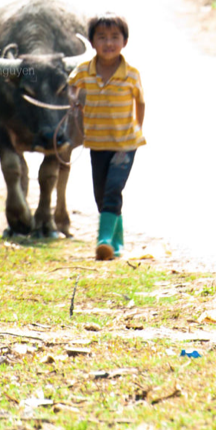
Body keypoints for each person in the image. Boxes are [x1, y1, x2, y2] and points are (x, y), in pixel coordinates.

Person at [68, 13, 145, 260]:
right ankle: (117, 242)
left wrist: (138, 129)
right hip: (97, 143)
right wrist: (74, 101)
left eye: (114, 37)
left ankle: (103, 240)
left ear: (125, 42)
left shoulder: (131, 73)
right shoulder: (83, 71)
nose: (108, 43)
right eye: (102, 37)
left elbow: (140, 102)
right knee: (101, 194)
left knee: (113, 189)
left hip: (125, 144)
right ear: (92, 42)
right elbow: (71, 88)